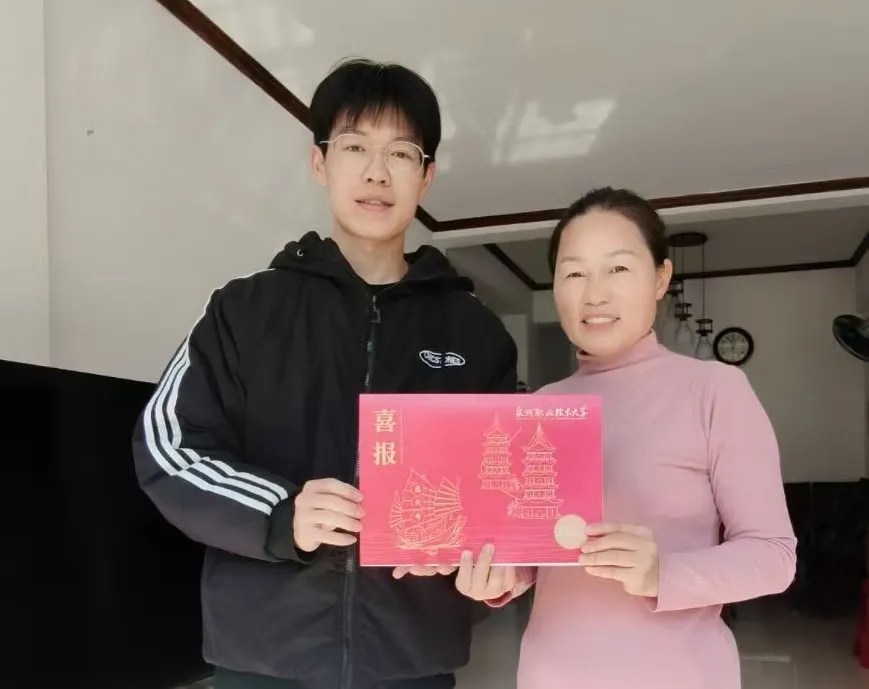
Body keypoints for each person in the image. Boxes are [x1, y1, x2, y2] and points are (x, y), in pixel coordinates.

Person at [131, 57, 517, 689]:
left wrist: (501, 568)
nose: (376, 171)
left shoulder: (475, 333)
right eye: (355, 147)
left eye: (401, 153)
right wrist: (281, 513)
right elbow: (168, 448)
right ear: (320, 162)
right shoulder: (244, 309)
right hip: (264, 661)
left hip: (411, 663)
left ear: (426, 176)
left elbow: (501, 494)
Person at [450, 187, 796, 689]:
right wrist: (500, 575)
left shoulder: (714, 390)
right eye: (574, 273)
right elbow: (536, 550)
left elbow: (773, 556)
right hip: (551, 674)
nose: (595, 294)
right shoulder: (541, 405)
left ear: (660, 278)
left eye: (617, 268)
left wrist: (662, 574)